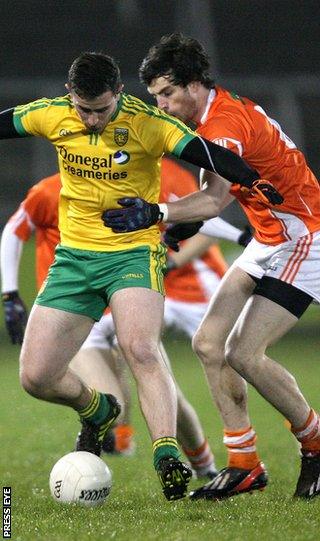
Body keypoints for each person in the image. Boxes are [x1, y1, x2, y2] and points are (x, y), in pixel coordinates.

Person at [0, 51, 281, 501]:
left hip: (134, 252)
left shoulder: (148, 123)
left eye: (102, 109)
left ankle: (166, 452)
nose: (92, 119)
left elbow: (204, 152)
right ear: (70, 96)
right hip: (73, 259)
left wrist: (250, 176)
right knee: (36, 377)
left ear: (120, 95)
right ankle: (98, 409)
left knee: (140, 350)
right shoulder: (50, 115)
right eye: (83, 109)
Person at [103, 34, 320, 500]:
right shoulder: (210, 117)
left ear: (195, 84)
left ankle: (315, 444)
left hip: (305, 237)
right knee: (207, 343)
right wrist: (180, 228)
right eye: (154, 96)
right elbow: (208, 191)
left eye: (167, 93)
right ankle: (244, 463)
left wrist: (156, 213)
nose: (160, 104)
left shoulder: (222, 123)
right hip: (269, 239)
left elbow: (215, 197)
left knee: (243, 353)